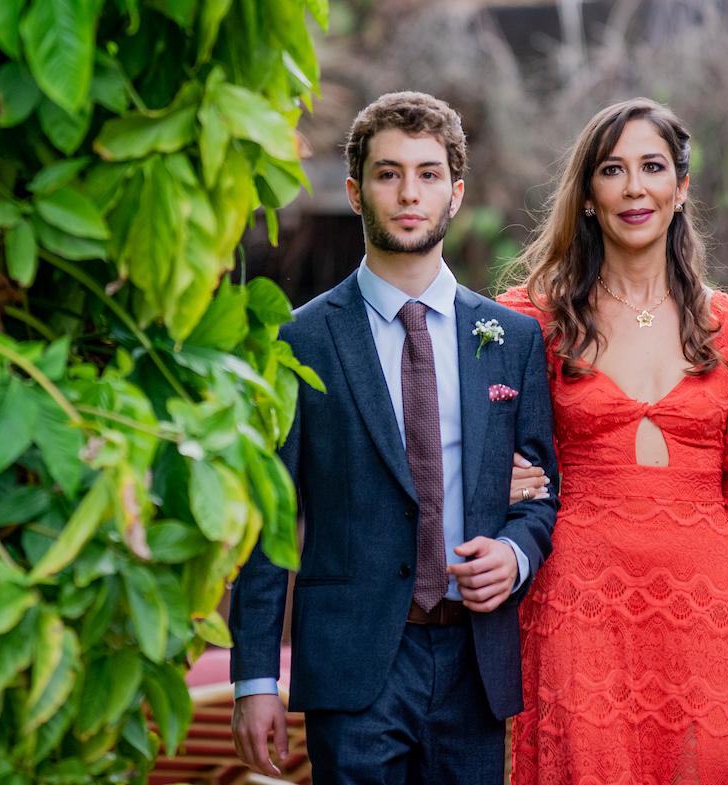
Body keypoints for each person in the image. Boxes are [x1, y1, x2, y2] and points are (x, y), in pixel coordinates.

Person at [228, 91, 559, 785]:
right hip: (352, 668)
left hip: (475, 660)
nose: (409, 192)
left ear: (456, 192)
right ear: (355, 191)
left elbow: (542, 491)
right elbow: (271, 516)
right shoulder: (302, 338)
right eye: (388, 173)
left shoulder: (511, 339)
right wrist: (255, 676)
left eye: (428, 173)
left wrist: (515, 553)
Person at [498, 97, 728, 785]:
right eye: (612, 170)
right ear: (587, 196)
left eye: (652, 167)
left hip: (705, 615)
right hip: (576, 605)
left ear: (681, 187)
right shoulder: (532, 323)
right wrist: (502, 475)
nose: (634, 187)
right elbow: (484, 447)